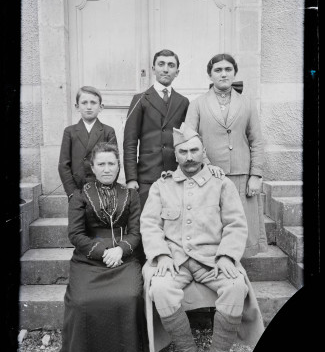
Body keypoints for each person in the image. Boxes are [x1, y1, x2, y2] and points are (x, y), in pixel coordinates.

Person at [140, 123, 264, 352]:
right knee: (159, 288)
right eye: (183, 151)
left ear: (204, 152)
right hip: (175, 259)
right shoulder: (162, 186)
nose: (189, 157)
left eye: (194, 150)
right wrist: (160, 254)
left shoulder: (222, 184)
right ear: (176, 155)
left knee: (235, 287)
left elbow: (235, 224)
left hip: (213, 259)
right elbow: (149, 224)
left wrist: (229, 256)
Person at [56, 142, 143, 352]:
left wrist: (121, 250)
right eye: (101, 164)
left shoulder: (131, 194)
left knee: (128, 296)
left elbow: (136, 232)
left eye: (111, 163)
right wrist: (103, 250)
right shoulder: (80, 195)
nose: (107, 169)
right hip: (89, 258)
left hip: (124, 258)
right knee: (82, 301)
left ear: (118, 167)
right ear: (92, 167)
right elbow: (75, 234)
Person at [185, 54, 268, 257]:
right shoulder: (197, 104)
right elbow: (189, 138)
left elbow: (256, 140)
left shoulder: (247, 103)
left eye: (228, 69)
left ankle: (239, 272)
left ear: (234, 73)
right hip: (209, 175)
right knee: (212, 225)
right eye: (218, 70)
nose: (223, 74)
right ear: (210, 75)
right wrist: (204, 164)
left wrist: (255, 175)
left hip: (241, 174)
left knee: (241, 225)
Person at [123, 49, 189, 209]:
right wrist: (131, 178)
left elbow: (187, 140)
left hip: (175, 174)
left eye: (171, 65)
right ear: (153, 69)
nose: (166, 69)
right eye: (161, 64)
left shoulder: (183, 102)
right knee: (146, 225)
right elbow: (130, 142)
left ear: (177, 72)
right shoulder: (140, 99)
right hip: (147, 176)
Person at [58, 86, 117, 201]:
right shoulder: (70, 132)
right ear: (77, 107)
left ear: (101, 107)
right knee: (78, 218)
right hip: (77, 190)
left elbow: (114, 163)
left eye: (93, 103)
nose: (89, 107)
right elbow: (63, 165)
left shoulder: (108, 131)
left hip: (102, 190)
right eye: (84, 103)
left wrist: (107, 187)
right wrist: (72, 193)